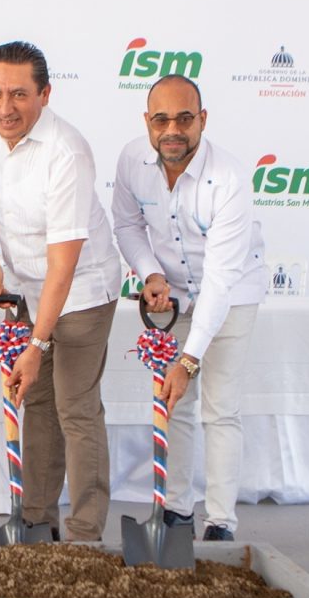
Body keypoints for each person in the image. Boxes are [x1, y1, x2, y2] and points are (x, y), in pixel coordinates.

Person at [0, 41, 120, 542]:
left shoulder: (66, 151)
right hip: (27, 291)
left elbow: (63, 267)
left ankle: (85, 531)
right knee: (39, 402)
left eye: (20, 95)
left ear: (45, 94)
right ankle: (34, 521)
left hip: (82, 292)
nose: (5, 108)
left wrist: (36, 344)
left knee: (74, 405)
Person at [112, 74, 265, 541]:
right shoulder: (132, 160)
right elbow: (127, 224)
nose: (172, 129)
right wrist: (150, 273)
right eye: (161, 119)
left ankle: (220, 522)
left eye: (184, 118)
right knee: (173, 405)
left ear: (202, 119)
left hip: (231, 293)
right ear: (147, 122)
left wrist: (188, 358)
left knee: (219, 409)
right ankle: (176, 513)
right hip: (173, 296)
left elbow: (219, 281)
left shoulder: (230, 178)